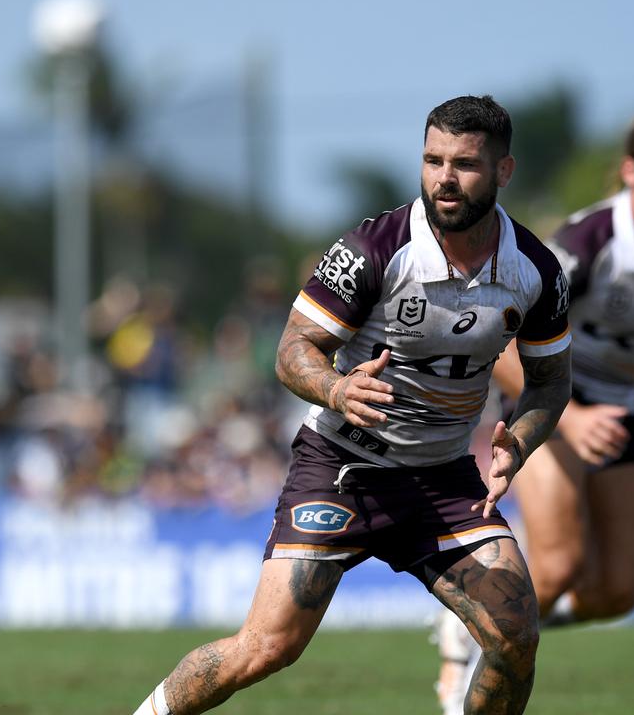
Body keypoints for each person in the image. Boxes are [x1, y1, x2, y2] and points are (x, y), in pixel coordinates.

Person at [131, 95, 572, 715]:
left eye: (465, 164)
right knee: (264, 648)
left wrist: (520, 441)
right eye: (432, 160)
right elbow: (293, 349)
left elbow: (552, 383)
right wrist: (338, 388)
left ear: (504, 172)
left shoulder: (535, 271)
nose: (444, 178)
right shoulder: (375, 248)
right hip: (342, 469)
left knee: (515, 636)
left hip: (444, 481)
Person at [434, 110, 634, 714]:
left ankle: (482, 623)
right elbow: (499, 336)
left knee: (619, 591)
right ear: (629, 172)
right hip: (545, 400)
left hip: (616, 410)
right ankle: (471, 659)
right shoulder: (586, 244)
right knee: (560, 563)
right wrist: (567, 415)